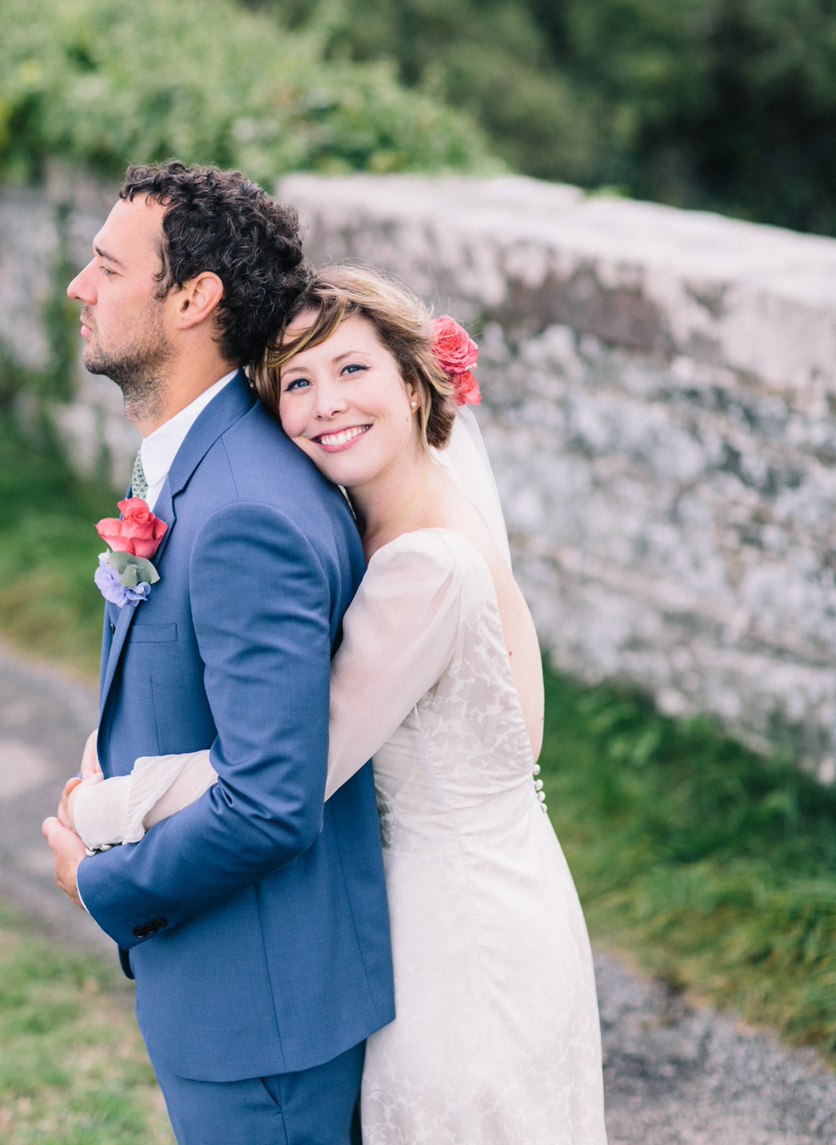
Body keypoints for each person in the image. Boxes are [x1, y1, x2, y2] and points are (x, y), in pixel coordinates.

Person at [62, 265, 608, 1144]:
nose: (324, 404)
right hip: (461, 899)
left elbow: (290, 766)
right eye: (296, 381)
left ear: (412, 378)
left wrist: (106, 806)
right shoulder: (371, 525)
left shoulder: (425, 565)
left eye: (352, 370)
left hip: (457, 937)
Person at [41, 164, 395, 1145]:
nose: (80, 285)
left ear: (194, 298)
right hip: (230, 988)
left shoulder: (243, 509)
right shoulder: (200, 464)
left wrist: (98, 880)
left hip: (264, 1013)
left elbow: (268, 800)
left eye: (109, 267)